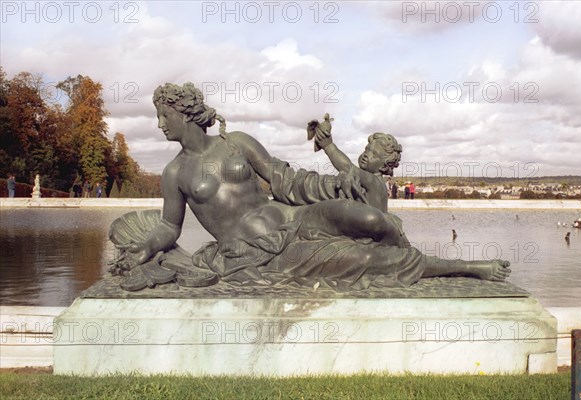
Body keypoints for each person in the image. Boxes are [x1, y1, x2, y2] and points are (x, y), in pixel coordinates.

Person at [115, 82, 510, 291]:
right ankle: (467, 269)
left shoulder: (237, 141)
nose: (160, 124)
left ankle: (403, 256)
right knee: (366, 261)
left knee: (371, 218)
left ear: (186, 115)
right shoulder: (175, 172)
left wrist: (342, 182)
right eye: (158, 116)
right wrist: (145, 247)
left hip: (294, 217)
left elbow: (285, 179)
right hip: (258, 253)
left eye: (164, 115)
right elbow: (169, 227)